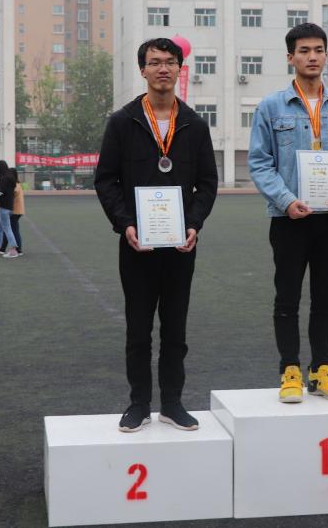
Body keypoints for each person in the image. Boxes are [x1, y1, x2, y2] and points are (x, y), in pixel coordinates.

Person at [95, 37, 218, 432]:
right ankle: (138, 405)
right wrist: (125, 223)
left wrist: (193, 224)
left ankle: (173, 404)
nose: (162, 68)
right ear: (142, 70)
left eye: (169, 62)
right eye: (154, 62)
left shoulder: (194, 124)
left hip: (181, 247)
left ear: (179, 69)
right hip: (137, 246)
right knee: (138, 330)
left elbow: (207, 183)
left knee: (175, 330)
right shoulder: (123, 122)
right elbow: (106, 179)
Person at [248, 22, 328, 404]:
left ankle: (321, 370)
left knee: (325, 297)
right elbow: (259, 162)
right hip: (289, 219)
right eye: (304, 51)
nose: (312, 57)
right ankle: (290, 371)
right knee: (286, 297)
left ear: (326, 55)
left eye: (318, 50)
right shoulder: (271, 107)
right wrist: (287, 200)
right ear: (291, 57)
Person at [0, 166, 25, 255]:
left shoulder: (15, 185)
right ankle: (2, 248)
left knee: (13, 230)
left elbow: (10, 194)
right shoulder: (17, 184)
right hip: (16, 211)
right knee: (8, 229)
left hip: (15, 211)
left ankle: (18, 250)